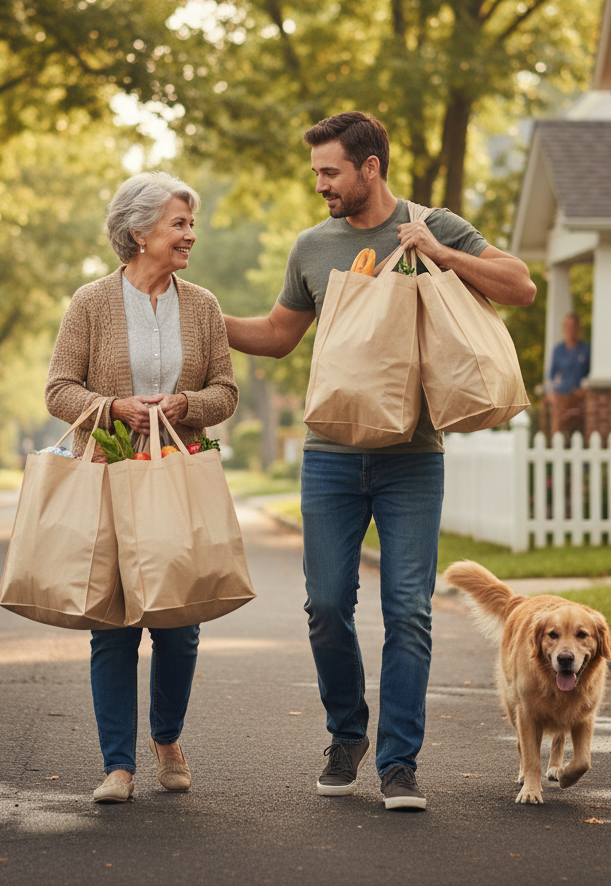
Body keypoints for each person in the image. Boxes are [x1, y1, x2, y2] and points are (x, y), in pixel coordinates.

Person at [223, 112, 535, 810]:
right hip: (332, 455)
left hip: (412, 459)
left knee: (408, 611)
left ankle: (400, 763)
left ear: (370, 167)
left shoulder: (436, 224)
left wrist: (442, 253)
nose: (321, 185)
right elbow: (277, 336)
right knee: (327, 605)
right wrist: (201, 314)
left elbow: (520, 287)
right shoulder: (312, 246)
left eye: (330, 172)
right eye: (316, 174)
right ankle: (346, 732)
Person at [45, 171, 239, 804]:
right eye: (178, 224)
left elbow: (226, 394)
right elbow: (59, 390)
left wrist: (183, 405)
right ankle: (118, 766)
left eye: (189, 223)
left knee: (180, 621)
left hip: (179, 477)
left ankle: (167, 737)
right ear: (138, 232)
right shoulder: (91, 303)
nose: (190, 234)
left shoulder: (204, 306)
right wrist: (115, 407)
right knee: (115, 622)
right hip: (109, 477)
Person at [546, 313, 590, 438]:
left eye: (573, 326)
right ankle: (556, 445)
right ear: (563, 328)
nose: (570, 329)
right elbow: (551, 376)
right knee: (558, 416)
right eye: (567, 326)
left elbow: (591, 376)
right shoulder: (558, 350)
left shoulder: (586, 350)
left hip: (579, 396)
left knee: (580, 420)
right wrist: (551, 393)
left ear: (578, 328)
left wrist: (584, 391)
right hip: (561, 395)